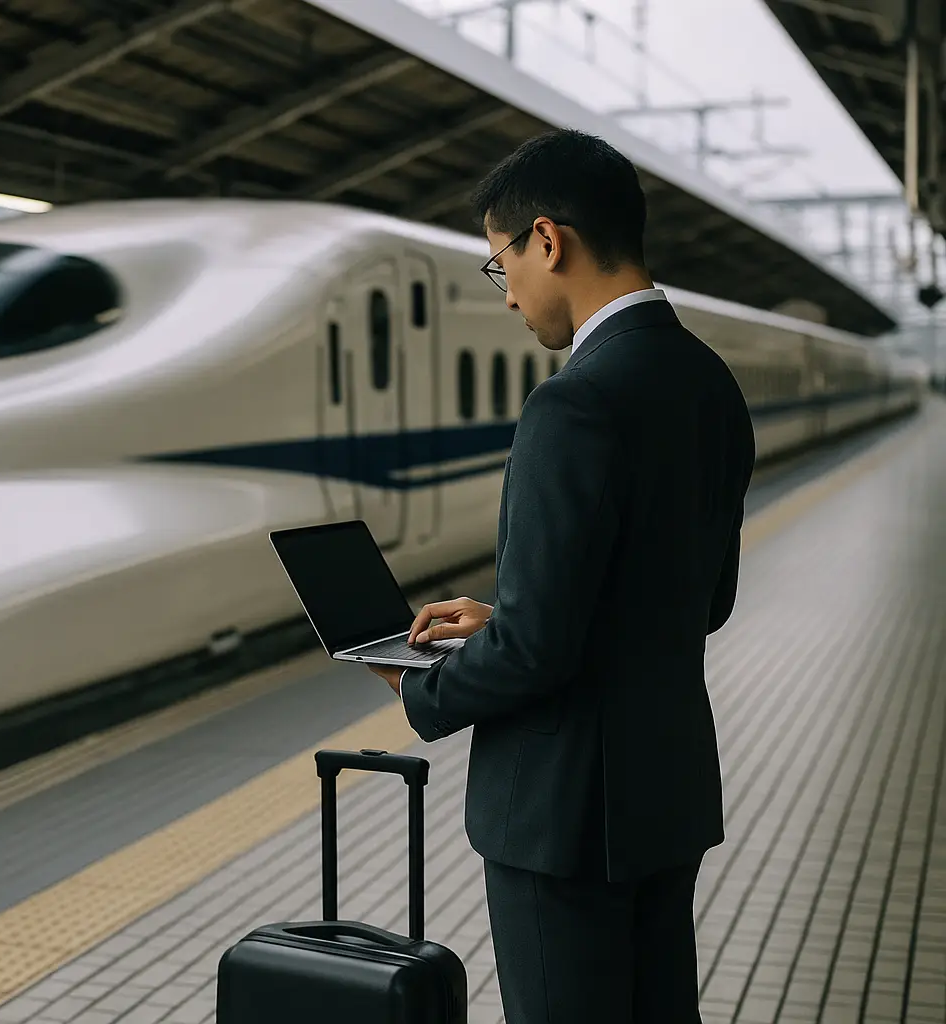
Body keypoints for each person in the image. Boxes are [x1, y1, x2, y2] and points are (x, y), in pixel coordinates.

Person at [365, 129, 755, 1022]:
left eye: (502, 266)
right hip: (665, 798)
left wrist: (418, 686)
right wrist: (509, 616)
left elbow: (541, 653)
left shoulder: (573, 403)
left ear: (549, 241)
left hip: (564, 820)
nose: (509, 298)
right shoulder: (709, 383)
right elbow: (706, 600)